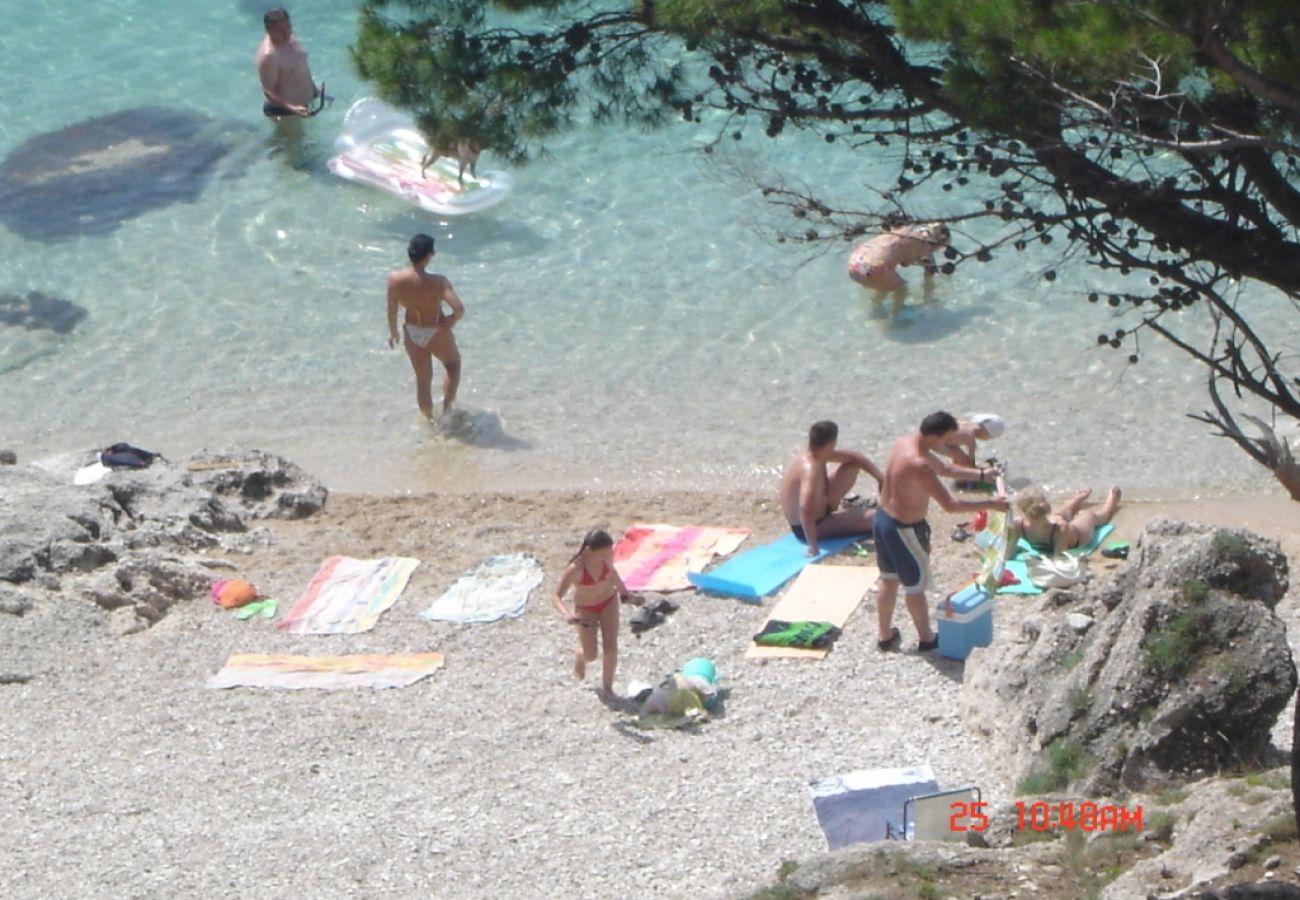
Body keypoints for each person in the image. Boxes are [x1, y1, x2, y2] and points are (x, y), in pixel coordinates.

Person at [873, 411, 1010, 652]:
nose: (947, 445)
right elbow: (950, 505)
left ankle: (884, 635)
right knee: (915, 586)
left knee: (889, 578)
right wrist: (991, 504)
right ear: (934, 436)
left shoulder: (905, 443)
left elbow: (946, 468)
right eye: (945, 439)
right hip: (905, 530)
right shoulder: (920, 465)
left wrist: (981, 474)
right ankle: (926, 639)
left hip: (882, 520)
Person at [551, 530, 637, 699]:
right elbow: (556, 596)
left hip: (608, 602)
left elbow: (613, 574)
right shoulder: (575, 569)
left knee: (610, 647)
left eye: (609, 551)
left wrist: (626, 594)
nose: (608, 555)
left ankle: (608, 688)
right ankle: (581, 656)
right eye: (603, 552)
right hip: (586, 609)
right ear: (589, 551)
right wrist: (567, 614)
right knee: (591, 654)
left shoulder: (606, 560)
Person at [386, 234, 465, 418]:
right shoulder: (438, 282)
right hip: (435, 330)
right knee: (453, 365)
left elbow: (391, 310)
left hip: (412, 332)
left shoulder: (394, 279)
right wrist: (452, 319)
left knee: (423, 381)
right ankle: (446, 411)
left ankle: (430, 421)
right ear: (429, 255)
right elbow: (459, 308)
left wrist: (393, 332)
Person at [779, 421, 883, 557]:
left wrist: (881, 479)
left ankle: (847, 515)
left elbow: (855, 457)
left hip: (821, 509)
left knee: (852, 465)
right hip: (812, 526)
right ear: (832, 443)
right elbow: (805, 508)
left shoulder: (818, 454)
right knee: (879, 518)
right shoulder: (810, 468)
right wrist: (813, 546)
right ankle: (842, 520)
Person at [848, 222, 950, 317]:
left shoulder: (904, 230)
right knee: (902, 288)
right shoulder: (926, 250)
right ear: (939, 243)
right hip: (874, 271)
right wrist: (930, 301)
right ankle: (896, 315)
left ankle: (874, 311)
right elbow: (928, 283)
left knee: (887, 283)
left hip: (854, 263)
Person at [1011, 486, 1122, 555]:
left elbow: (1058, 559)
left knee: (1092, 516)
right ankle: (1078, 498)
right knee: (1059, 515)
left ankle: (1110, 504)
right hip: (1053, 525)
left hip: (1078, 534)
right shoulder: (1018, 525)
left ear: (1022, 510)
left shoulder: (1018, 525)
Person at [255, 8, 321, 119]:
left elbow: (299, 65)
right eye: (280, 30)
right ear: (269, 30)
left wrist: (314, 89)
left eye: (288, 27)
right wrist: (292, 108)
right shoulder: (269, 56)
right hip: (285, 113)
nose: (286, 33)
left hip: (306, 103)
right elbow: (268, 91)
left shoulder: (289, 37)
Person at [936, 413, 1006, 470]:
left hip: (937, 436)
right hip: (938, 444)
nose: (987, 440)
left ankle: (954, 468)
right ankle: (961, 481)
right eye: (989, 437)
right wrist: (977, 472)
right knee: (964, 460)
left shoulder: (963, 422)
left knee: (958, 455)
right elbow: (970, 461)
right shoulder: (971, 440)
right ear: (986, 433)